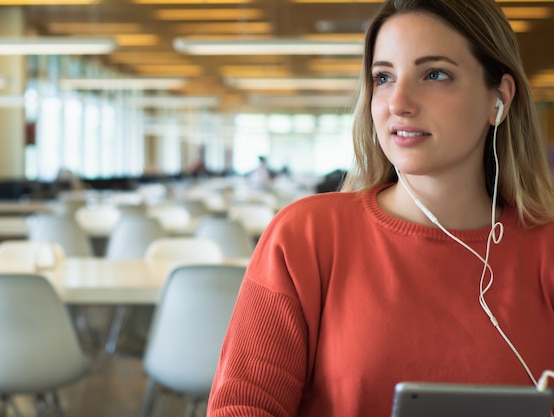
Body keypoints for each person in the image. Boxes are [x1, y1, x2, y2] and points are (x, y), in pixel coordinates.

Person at [207, 1, 554, 416]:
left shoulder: (545, 248)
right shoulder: (306, 236)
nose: (398, 102)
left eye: (435, 74)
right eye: (383, 77)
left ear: (498, 97)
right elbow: (243, 406)